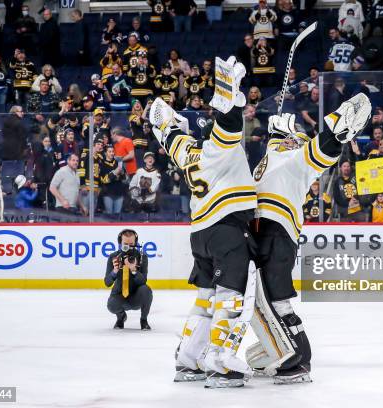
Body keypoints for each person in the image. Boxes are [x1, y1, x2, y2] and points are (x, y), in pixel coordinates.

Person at [248, 94, 371, 384]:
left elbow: (324, 149)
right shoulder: (267, 160)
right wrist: (277, 133)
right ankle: (287, 353)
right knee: (262, 302)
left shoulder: (296, 159)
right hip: (265, 232)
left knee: (272, 302)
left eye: (289, 137)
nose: (283, 139)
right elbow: (274, 148)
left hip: (278, 232)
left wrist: (335, 129)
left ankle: (298, 360)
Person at [149, 57, 257, 388]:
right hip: (227, 229)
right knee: (231, 297)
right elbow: (229, 126)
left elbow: (164, 132)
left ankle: (188, 358)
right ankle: (221, 361)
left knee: (206, 298)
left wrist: (169, 122)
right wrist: (229, 97)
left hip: (200, 234)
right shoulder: (218, 149)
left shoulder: (185, 150)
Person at [105, 229, 153, 330]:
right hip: (120, 295)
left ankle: (143, 320)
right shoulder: (113, 257)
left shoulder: (142, 257)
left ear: (136, 243)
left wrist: (134, 270)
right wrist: (114, 271)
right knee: (111, 304)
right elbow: (107, 282)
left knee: (146, 290)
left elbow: (143, 281)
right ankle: (121, 317)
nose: (128, 247)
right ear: (120, 242)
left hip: (136, 296)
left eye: (131, 244)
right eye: (125, 244)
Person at [100, 145, 126, 216]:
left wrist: (122, 173)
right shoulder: (102, 163)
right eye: (109, 151)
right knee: (109, 216)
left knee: (118, 216)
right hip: (108, 193)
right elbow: (104, 180)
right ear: (105, 153)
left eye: (113, 151)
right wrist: (115, 172)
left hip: (119, 192)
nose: (112, 153)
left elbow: (124, 178)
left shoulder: (118, 162)